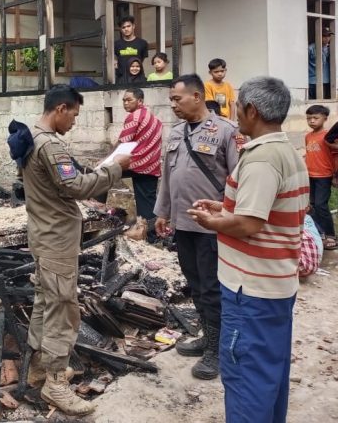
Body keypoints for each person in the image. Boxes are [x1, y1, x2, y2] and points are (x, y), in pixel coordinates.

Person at [187, 76, 309, 423]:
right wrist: (223, 207)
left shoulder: (261, 159)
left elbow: (249, 224)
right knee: (269, 374)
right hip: (275, 285)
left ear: (252, 111)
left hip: (250, 292)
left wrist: (212, 223)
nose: (235, 112)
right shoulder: (285, 151)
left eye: (238, 106)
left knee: (245, 379)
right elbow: (260, 212)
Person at [12, 85, 129, 416]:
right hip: (56, 239)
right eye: (74, 115)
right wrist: (116, 167)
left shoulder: (30, 135)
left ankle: (37, 366)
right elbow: (76, 187)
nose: (75, 123)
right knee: (63, 309)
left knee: (44, 301)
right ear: (61, 109)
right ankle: (55, 384)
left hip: (42, 233)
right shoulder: (49, 145)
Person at [154, 74, 241, 380]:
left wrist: (229, 217)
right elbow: (166, 176)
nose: (173, 104)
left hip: (212, 227)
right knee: (195, 284)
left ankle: (217, 350)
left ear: (196, 96)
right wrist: (162, 212)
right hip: (183, 223)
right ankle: (208, 336)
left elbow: (237, 180)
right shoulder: (176, 133)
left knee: (212, 288)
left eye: (177, 99)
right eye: (171, 100)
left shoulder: (226, 131)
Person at [118, 88, 163, 242]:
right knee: (147, 203)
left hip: (134, 163)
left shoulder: (134, 117)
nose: (125, 103)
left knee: (100, 176)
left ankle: (99, 212)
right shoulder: (155, 120)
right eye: (124, 100)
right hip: (151, 166)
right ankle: (153, 238)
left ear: (140, 101)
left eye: (129, 99)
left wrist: (105, 160)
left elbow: (123, 143)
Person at [304, 104, 337, 250]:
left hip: (324, 176)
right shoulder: (308, 136)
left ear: (325, 119)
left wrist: (335, 176)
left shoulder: (328, 137)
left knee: (321, 205)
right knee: (312, 205)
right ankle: (319, 232)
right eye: (309, 118)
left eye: (315, 118)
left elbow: (334, 157)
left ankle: (330, 235)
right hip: (310, 175)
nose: (312, 121)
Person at [114, 16, 148, 81]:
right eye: (123, 27)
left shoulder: (142, 43)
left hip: (138, 78)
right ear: (121, 29)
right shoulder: (116, 44)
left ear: (133, 26)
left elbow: (142, 60)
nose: (126, 29)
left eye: (128, 26)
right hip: (121, 79)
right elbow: (115, 59)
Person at [308, 26, 333, 99]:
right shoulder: (311, 48)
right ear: (319, 36)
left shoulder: (331, 48)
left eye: (329, 36)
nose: (327, 38)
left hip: (326, 80)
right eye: (324, 36)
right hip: (312, 80)